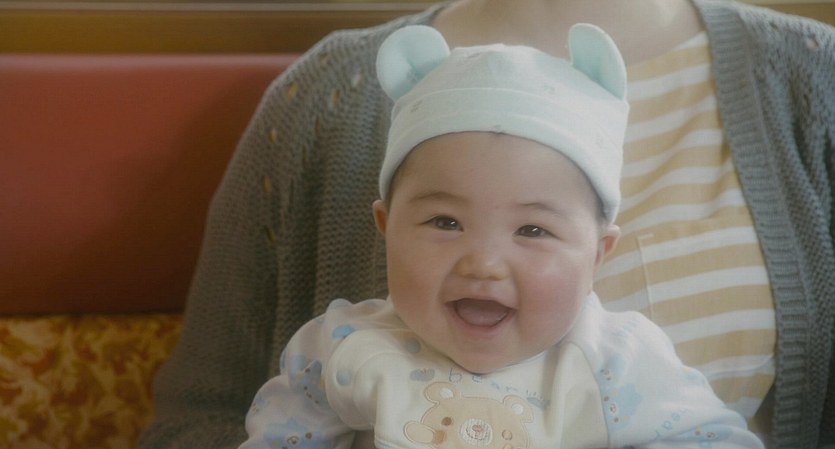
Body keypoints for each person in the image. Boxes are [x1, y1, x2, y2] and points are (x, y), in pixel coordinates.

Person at [138, 1, 835, 448]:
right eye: (444, 221)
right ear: (384, 224)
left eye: (533, 231)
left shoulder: (622, 361)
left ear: (601, 252)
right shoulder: (346, 345)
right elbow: (224, 421)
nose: (483, 262)